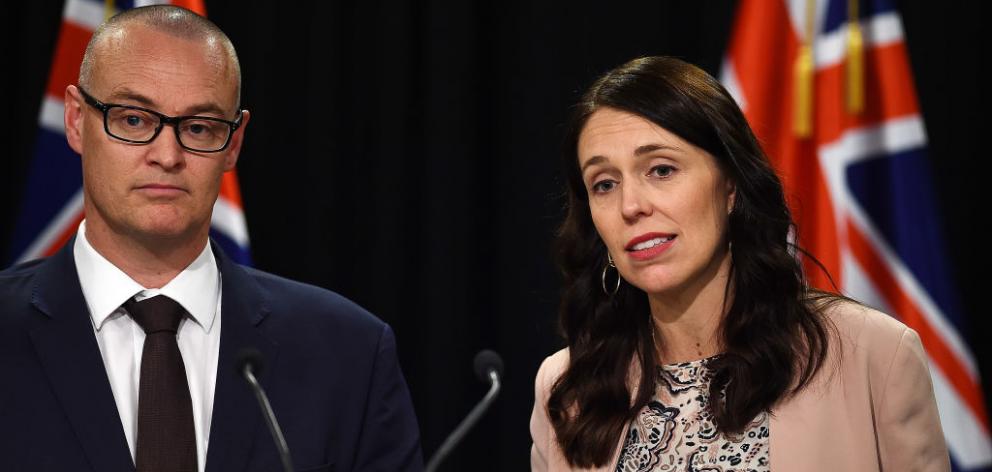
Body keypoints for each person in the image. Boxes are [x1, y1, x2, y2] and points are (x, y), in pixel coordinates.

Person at [0, 6, 422, 472]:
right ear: (77, 120)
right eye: (134, 120)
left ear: (235, 142)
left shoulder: (349, 355)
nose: (167, 155)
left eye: (198, 127)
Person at [529, 56, 949, 471]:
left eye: (661, 169)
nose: (631, 206)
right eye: (604, 184)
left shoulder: (872, 353)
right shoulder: (568, 388)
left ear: (730, 186)